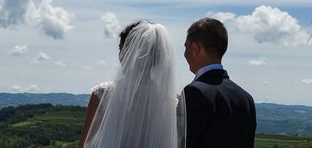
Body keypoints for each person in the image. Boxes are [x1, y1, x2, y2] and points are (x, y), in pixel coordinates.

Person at [79, 20, 181, 148]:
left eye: (120, 48)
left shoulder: (102, 94)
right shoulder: (170, 102)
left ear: (128, 53)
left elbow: (84, 144)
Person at [181, 18, 256, 148]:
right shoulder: (246, 98)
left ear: (195, 48)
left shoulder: (194, 92)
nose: (184, 54)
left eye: (185, 47)